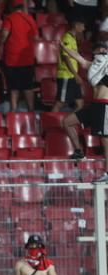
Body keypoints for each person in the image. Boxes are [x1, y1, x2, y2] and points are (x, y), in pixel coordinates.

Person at [61, 41, 108, 182]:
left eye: (102, 49)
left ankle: (107, 173)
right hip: (94, 105)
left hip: (105, 105)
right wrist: (64, 47)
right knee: (67, 122)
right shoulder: (92, 65)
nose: (100, 52)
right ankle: (79, 152)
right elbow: (77, 56)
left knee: (105, 140)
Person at [0, 0, 38, 112]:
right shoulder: (30, 19)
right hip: (28, 59)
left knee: (13, 88)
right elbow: (36, 38)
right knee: (28, 87)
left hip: (12, 60)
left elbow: (4, 36)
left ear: (11, 7)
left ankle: (13, 112)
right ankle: (31, 112)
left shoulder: (9, 19)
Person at [52, 16, 86, 113]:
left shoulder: (73, 38)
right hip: (66, 75)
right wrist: (76, 75)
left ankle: (68, 120)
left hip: (72, 76)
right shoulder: (67, 38)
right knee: (60, 103)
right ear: (76, 25)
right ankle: (48, 121)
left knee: (80, 104)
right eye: (82, 26)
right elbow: (65, 58)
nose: (84, 29)